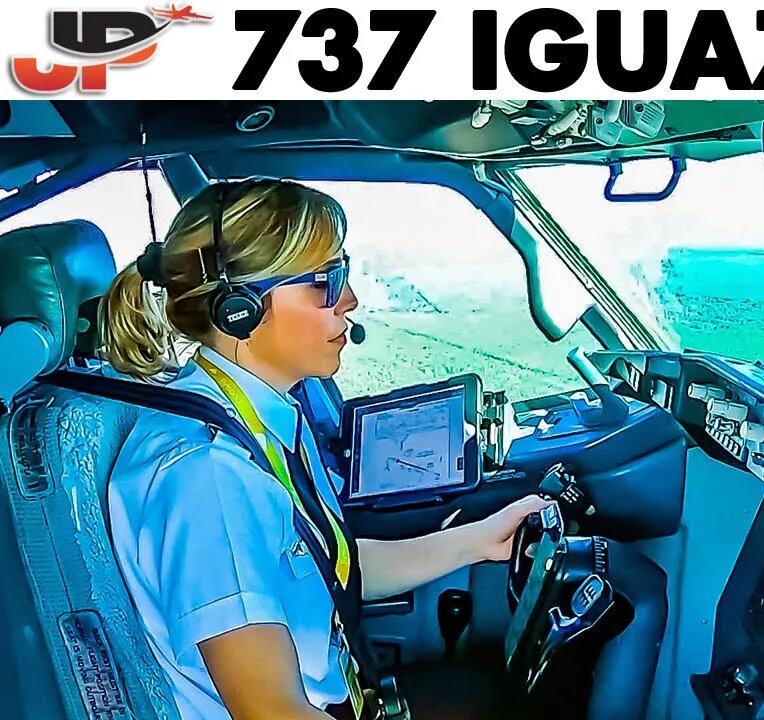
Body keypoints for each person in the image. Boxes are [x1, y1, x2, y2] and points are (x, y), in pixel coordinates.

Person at [99, 177, 550, 720]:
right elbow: (271, 713)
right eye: (325, 282)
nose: (351, 300)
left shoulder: (262, 419)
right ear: (238, 308)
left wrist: (478, 541)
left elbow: (323, 563)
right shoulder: (209, 475)